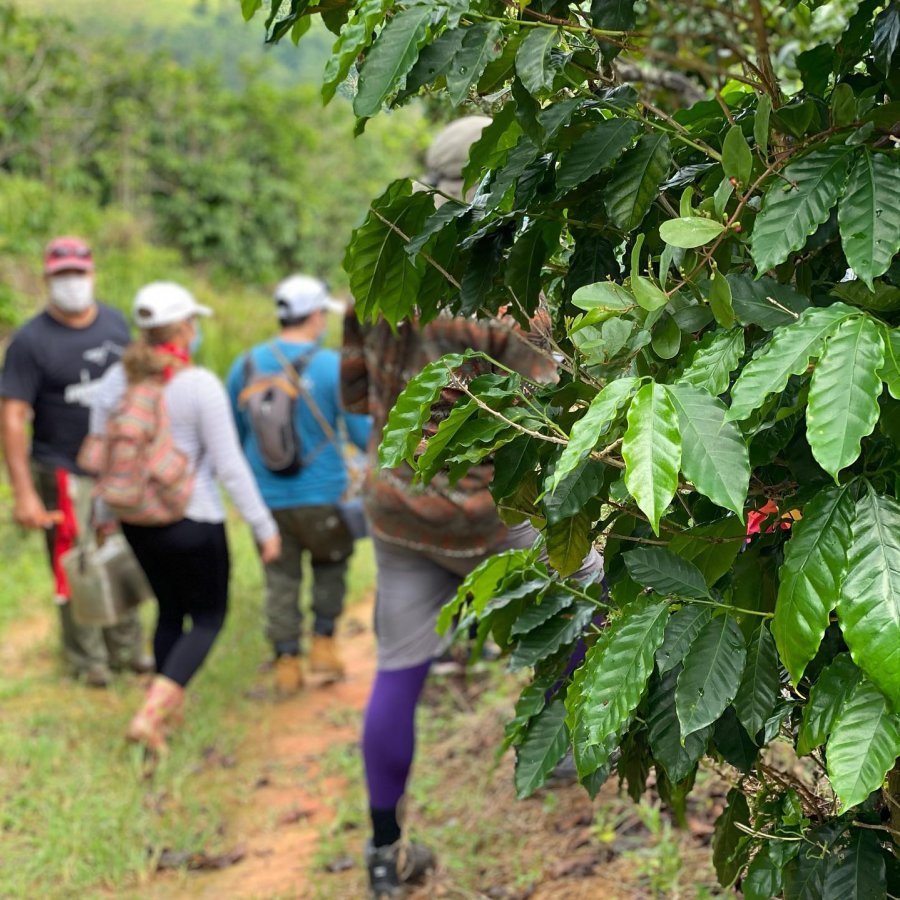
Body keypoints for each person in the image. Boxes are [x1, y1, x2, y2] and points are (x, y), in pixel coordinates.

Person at [341, 118, 604, 898]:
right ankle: (560, 751)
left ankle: (384, 852)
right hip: (495, 513)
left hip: (398, 510)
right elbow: (549, 422)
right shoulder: (513, 289)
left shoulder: (379, 274)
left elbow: (356, 393)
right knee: (589, 593)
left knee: (398, 671)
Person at [89, 282, 281, 753]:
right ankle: (151, 715)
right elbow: (230, 466)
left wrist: (102, 514)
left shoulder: (116, 382)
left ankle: (165, 710)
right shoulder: (198, 384)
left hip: (136, 522)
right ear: (182, 328)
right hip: (193, 520)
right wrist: (263, 526)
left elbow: (101, 455)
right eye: (192, 322)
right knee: (210, 617)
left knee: (170, 609)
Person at [0, 236, 148, 687]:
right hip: (61, 466)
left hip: (116, 464)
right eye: (62, 275)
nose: (72, 283)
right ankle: (89, 660)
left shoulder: (115, 324)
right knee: (75, 560)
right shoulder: (30, 341)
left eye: (78, 273)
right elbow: (11, 418)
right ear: (48, 279)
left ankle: (128, 648)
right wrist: (24, 493)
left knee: (123, 553)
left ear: (92, 274)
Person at [227, 275, 371, 694]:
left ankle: (286, 664)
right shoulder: (331, 366)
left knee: (281, 579)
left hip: (267, 500)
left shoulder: (245, 365)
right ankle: (324, 649)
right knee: (330, 567)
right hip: (325, 495)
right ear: (314, 316)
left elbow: (235, 434)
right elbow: (362, 437)